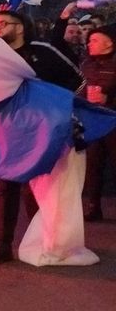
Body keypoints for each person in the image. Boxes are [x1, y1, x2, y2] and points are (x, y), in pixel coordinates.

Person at [0, 10, 82, 264]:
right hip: (6, 131)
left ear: (19, 28)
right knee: (6, 187)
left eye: (2, 24)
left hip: (41, 131)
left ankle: (42, 240)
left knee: (37, 188)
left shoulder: (43, 50)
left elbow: (78, 78)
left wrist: (55, 104)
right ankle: (3, 245)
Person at [80, 25, 116, 221]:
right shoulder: (86, 64)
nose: (89, 43)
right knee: (94, 164)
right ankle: (94, 206)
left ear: (109, 43)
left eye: (95, 40)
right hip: (93, 120)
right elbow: (79, 87)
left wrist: (108, 98)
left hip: (113, 120)